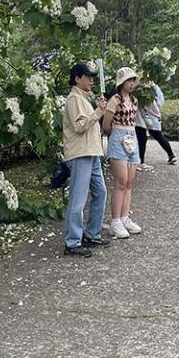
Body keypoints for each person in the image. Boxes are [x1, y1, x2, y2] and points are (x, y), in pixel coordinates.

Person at [61, 63, 110, 257]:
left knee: (101, 193)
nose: (91, 80)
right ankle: (72, 242)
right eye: (88, 77)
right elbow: (80, 126)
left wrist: (98, 109)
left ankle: (91, 234)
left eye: (92, 77)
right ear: (77, 79)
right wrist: (98, 111)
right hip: (81, 153)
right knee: (78, 200)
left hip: (91, 152)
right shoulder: (74, 99)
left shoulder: (83, 99)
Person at [103, 67, 143, 238]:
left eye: (133, 80)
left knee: (129, 182)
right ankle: (116, 221)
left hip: (132, 137)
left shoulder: (134, 100)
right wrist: (116, 135)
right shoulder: (115, 100)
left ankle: (125, 217)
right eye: (129, 80)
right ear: (121, 82)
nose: (132, 83)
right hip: (118, 137)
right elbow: (106, 125)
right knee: (121, 181)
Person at [139, 83, 177, 166]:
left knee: (143, 137)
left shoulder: (143, 86)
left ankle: (141, 160)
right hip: (153, 115)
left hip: (146, 115)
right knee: (157, 135)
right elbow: (161, 100)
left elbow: (145, 105)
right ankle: (171, 155)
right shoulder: (154, 86)